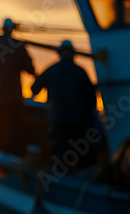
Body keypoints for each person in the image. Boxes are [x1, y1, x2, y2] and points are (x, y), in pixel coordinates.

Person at [31, 40, 97, 169]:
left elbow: (34, 89)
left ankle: (60, 177)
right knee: (82, 156)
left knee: (60, 154)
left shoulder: (52, 69)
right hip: (79, 122)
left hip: (58, 120)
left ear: (59, 54)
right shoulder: (81, 72)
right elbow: (92, 102)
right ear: (73, 54)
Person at [0, 18, 35, 155]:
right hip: (15, 98)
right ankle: (16, 157)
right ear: (12, 30)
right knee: (17, 130)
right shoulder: (18, 47)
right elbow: (30, 69)